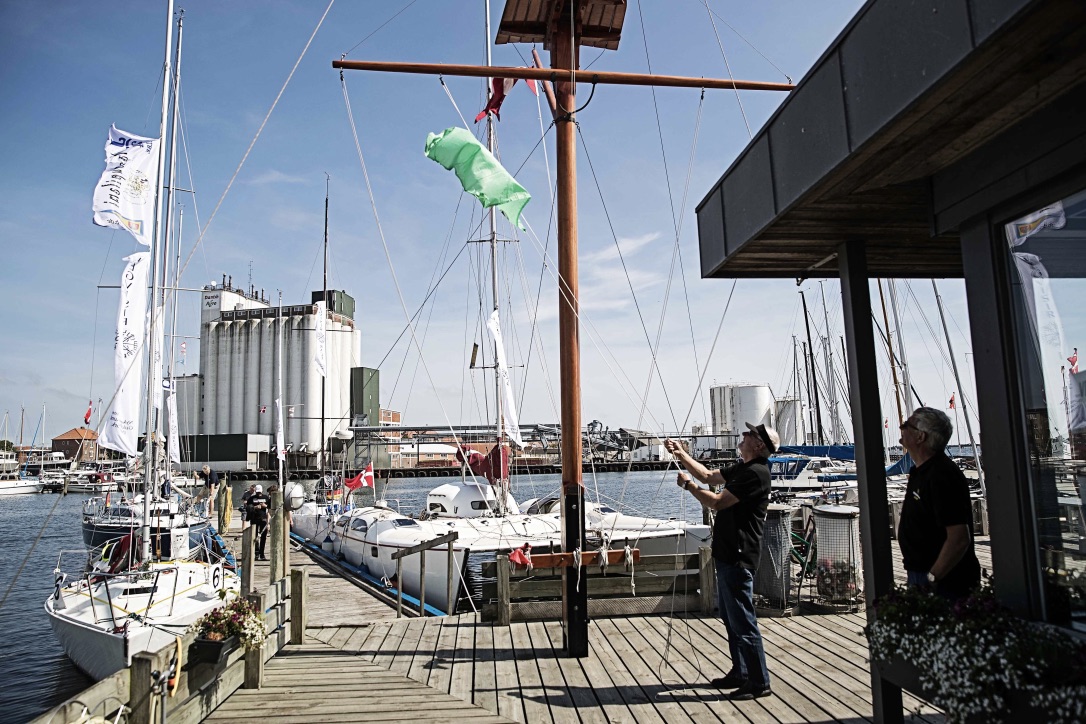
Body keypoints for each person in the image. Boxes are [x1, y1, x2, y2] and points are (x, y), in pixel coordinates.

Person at [665, 422, 778, 701]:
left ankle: (759, 681)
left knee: (743, 620)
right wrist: (681, 453)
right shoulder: (743, 468)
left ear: (759, 445)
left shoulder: (756, 473)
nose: (743, 436)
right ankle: (740, 672)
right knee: (730, 619)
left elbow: (716, 502)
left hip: (739, 556)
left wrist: (688, 486)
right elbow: (707, 475)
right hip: (727, 554)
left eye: (749, 434)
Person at [897, 407, 981, 599]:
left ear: (920, 437)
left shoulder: (941, 475)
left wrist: (932, 578)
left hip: (944, 580)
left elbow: (959, 537)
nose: (901, 428)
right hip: (921, 573)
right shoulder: (921, 472)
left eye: (906, 425)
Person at [246, 483, 271, 561]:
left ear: (262, 491)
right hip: (254, 519)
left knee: (263, 537)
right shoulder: (251, 498)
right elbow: (247, 508)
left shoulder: (266, 498)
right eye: (257, 492)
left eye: (260, 492)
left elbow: (270, 507)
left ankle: (262, 554)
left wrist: (265, 506)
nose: (259, 494)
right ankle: (256, 553)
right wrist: (255, 507)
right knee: (255, 537)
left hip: (263, 519)